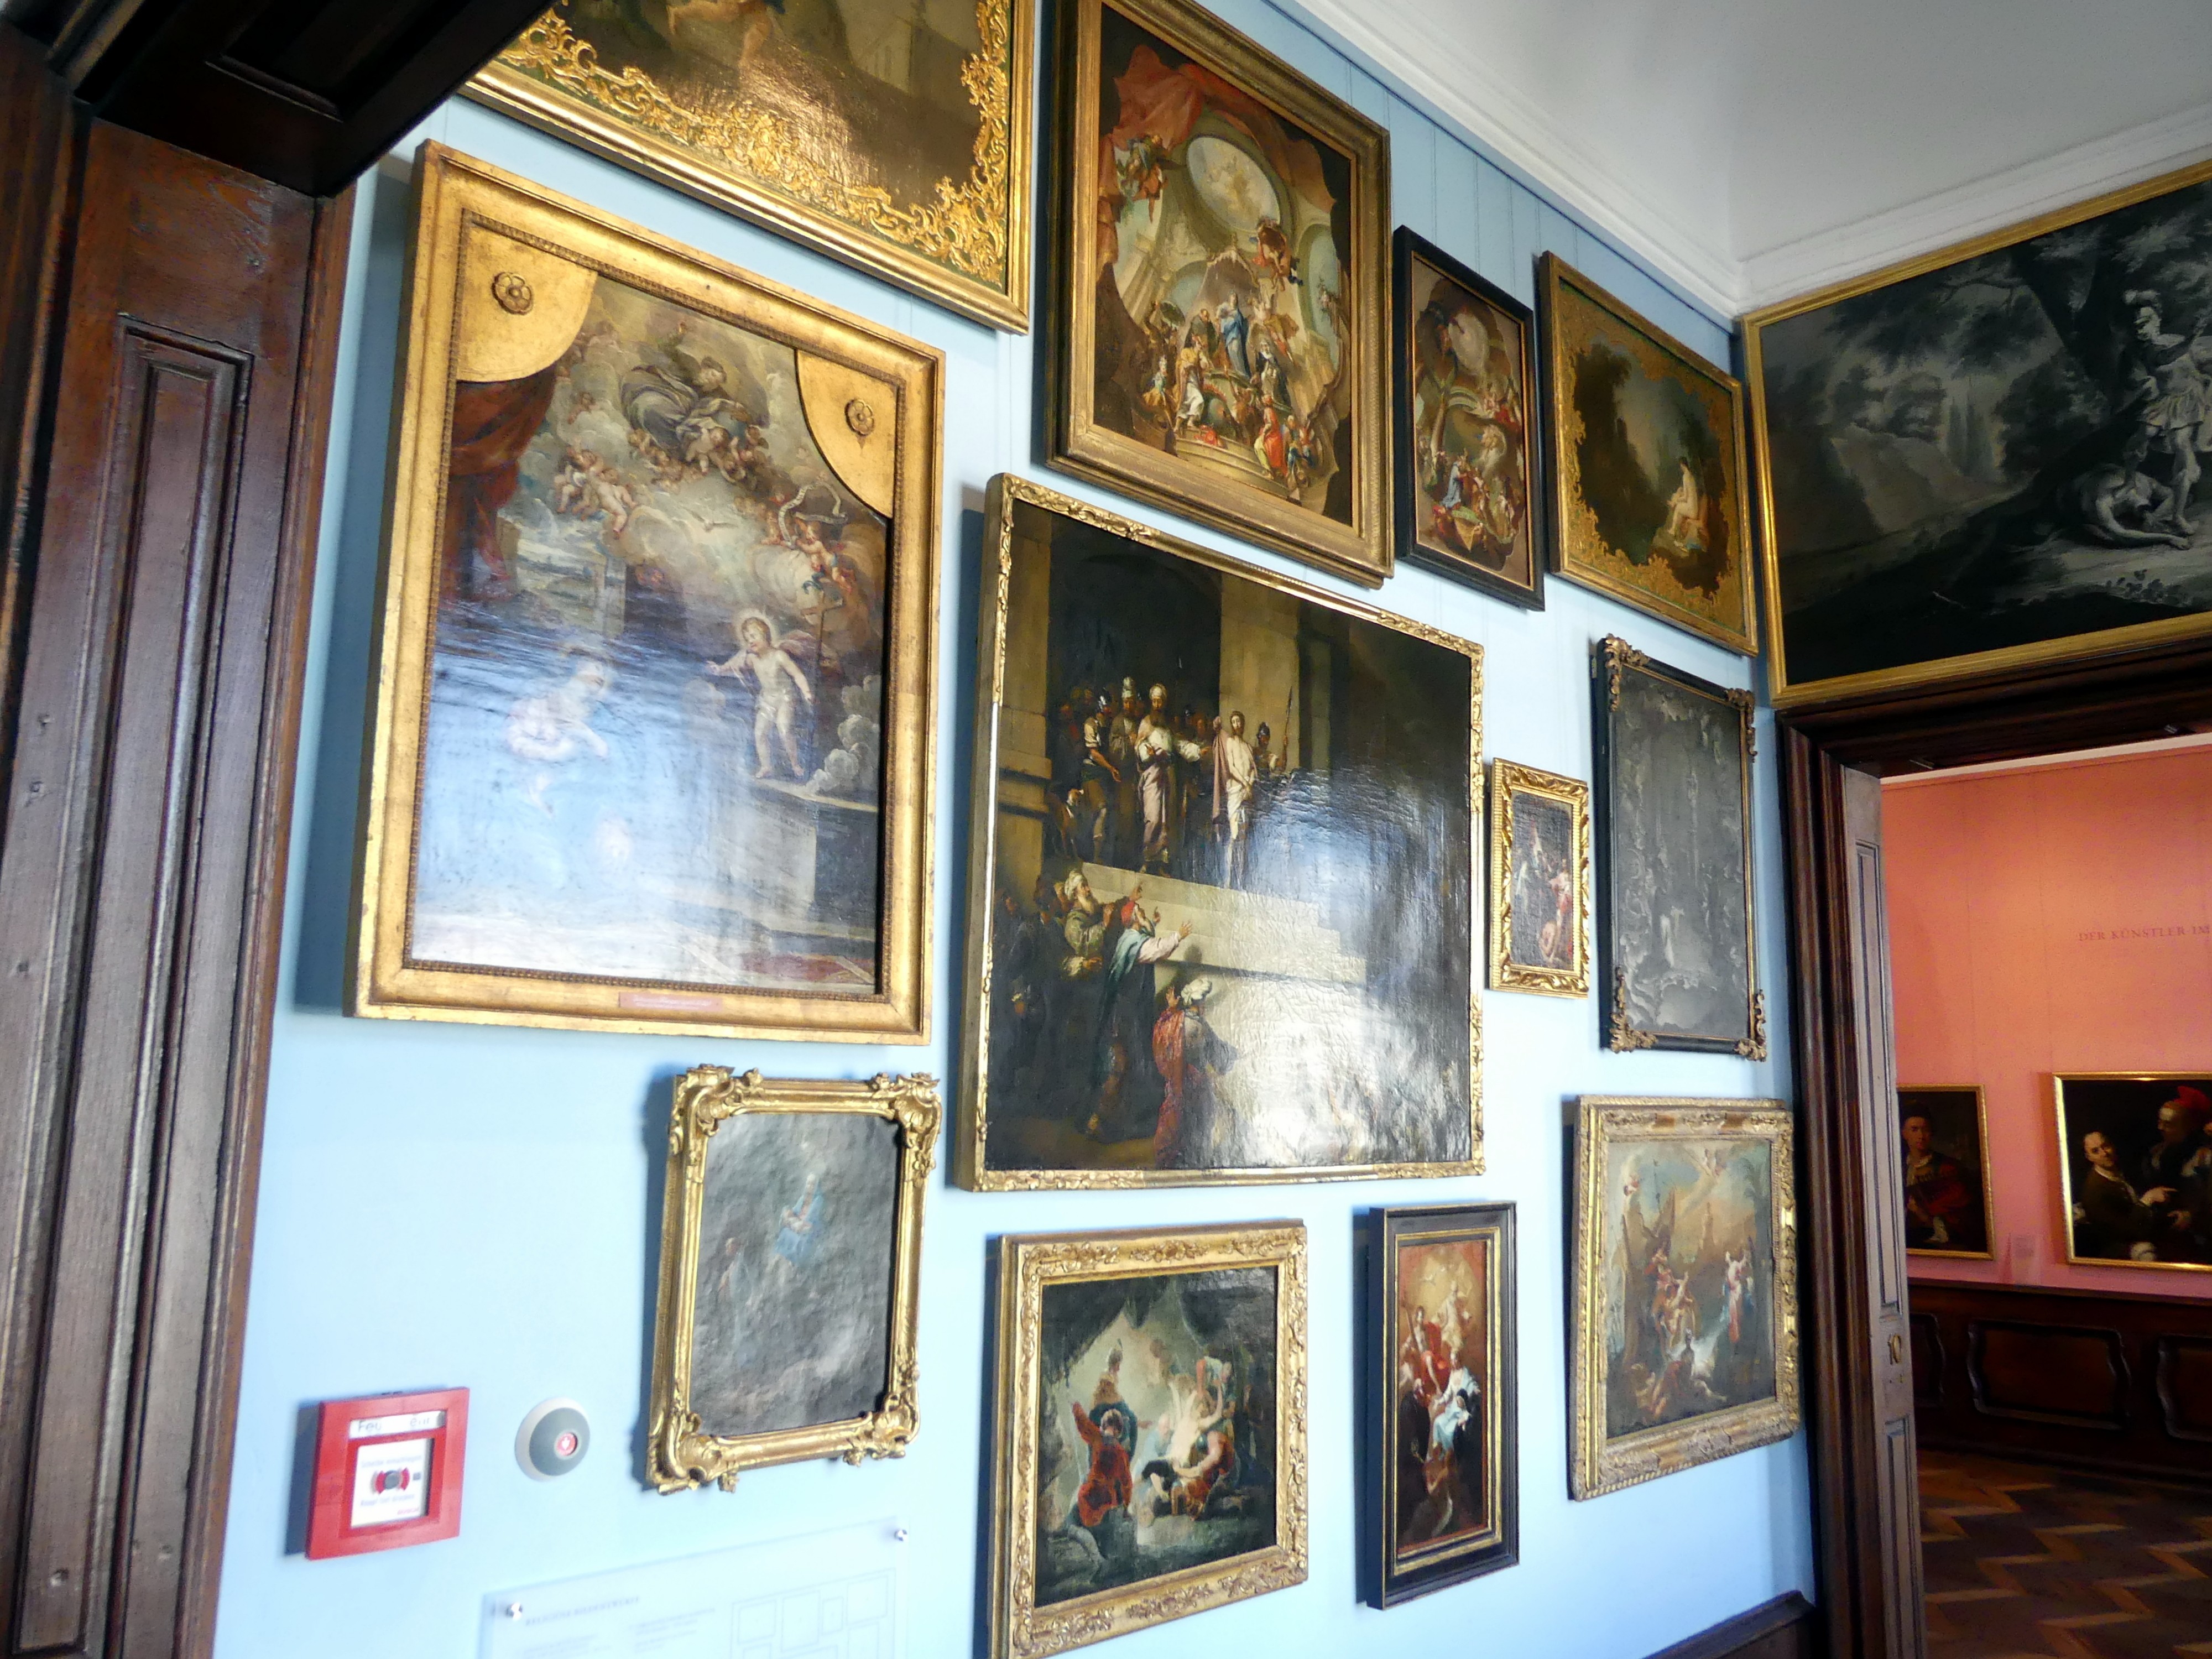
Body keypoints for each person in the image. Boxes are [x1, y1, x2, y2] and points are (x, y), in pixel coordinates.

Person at [707, 615, 815, 780]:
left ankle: (795, 764)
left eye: (753, 636)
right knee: (760, 733)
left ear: (765, 635)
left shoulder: (779, 656)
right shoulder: (752, 659)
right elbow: (735, 663)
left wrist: (806, 692)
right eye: (747, 639)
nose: (750, 641)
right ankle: (766, 767)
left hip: (785, 698)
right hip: (767, 701)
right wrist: (720, 669)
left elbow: (797, 674)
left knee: (784, 729)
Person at [2073, 1129, 2175, 1262]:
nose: (2104, 1153)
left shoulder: (2125, 1170)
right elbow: (2124, 1231)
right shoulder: (2094, 1191)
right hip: (2122, 1246)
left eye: (2106, 1146)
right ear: (2089, 1157)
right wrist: (2147, 1200)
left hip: (2150, 1231)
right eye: (2096, 1151)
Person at [1136, 684, 1205, 873]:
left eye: (1160, 702)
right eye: (1155, 701)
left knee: (1167, 820)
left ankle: (1162, 863)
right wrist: (1148, 753)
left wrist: (1198, 751)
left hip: (1168, 774)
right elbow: (1140, 745)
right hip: (1153, 774)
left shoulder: (1168, 727)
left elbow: (1180, 745)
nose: (1157, 705)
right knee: (1153, 817)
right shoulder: (1146, 723)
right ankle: (1148, 859)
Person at [1901, 1113, 1978, 1251]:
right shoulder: (1896, 1167)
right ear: (1904, 1134)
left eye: (1925, 1130)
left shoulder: (1948, 1168)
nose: (1921, 1136)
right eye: (1914, 1130)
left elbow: (1960, 1214)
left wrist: (1922, 1213)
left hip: (1935, 1243)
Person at [1210, 712, 1258, 888]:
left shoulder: (1248, 747)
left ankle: (1240, 879)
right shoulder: (1230, 742)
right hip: (1236, 791)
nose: (1237, 724)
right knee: (1234, 834)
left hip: (1246, 793)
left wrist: (1250, 785)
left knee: (1243, 839)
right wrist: (1245, 783)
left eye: (1239, 721)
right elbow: (1231, 767)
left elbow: (1252, 769)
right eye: (1234, 722)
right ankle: (1228, 878)